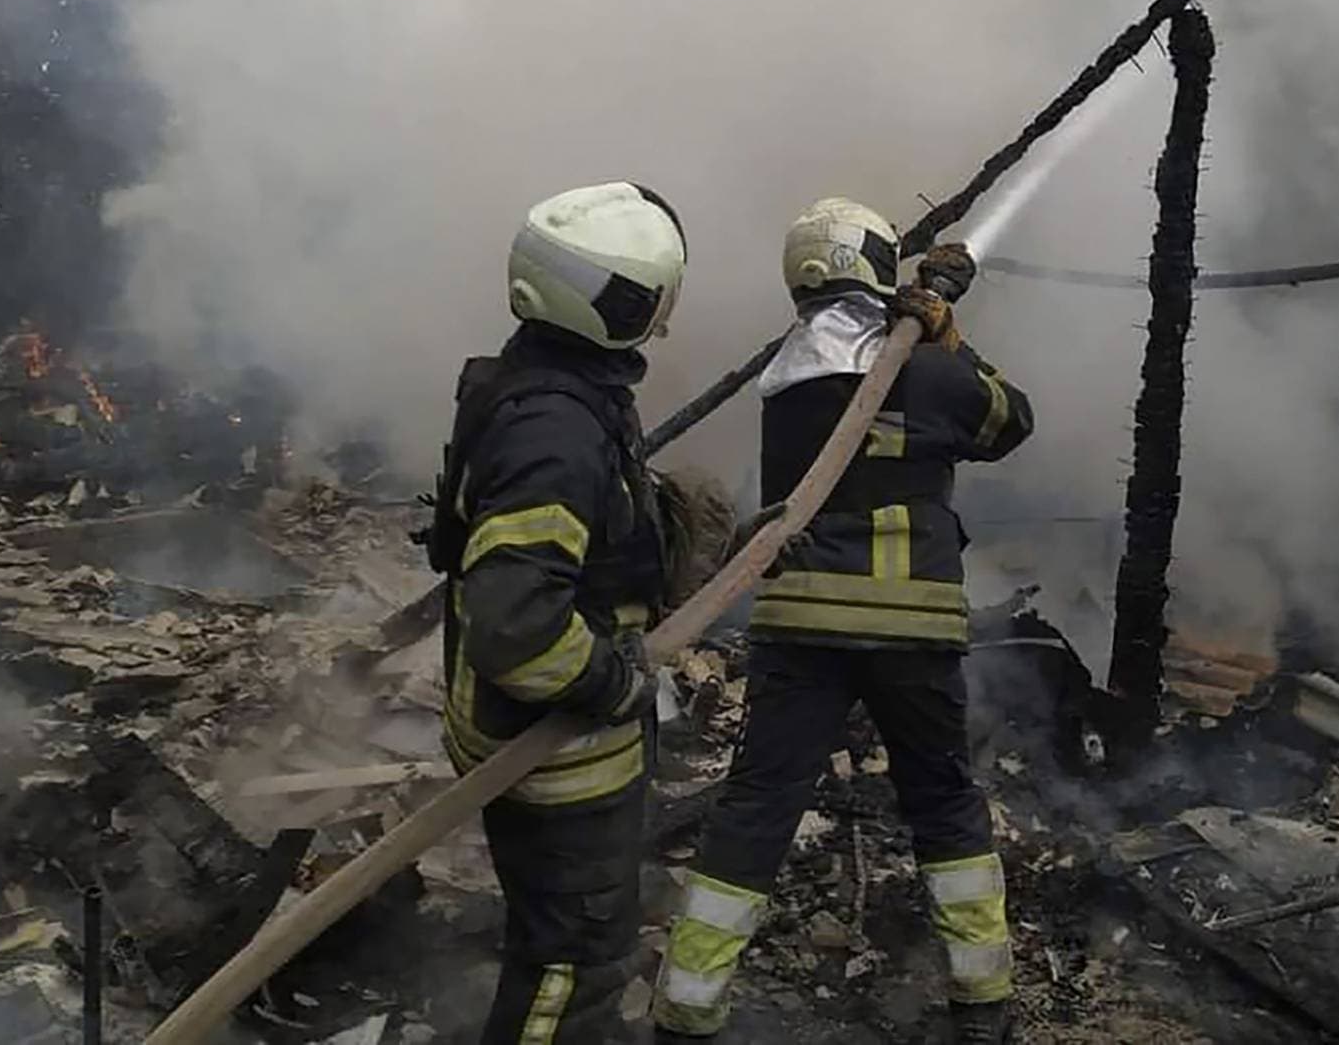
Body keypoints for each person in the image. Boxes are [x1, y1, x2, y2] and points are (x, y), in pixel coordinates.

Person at [651, 198, 1034, 1045]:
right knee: (943, 800)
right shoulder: (926, 370)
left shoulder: (787, 376)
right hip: (913, 626)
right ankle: (982, 999)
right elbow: (1010, 419)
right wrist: (950, 339)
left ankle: (687, 1002)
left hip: (800, 624)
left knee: (757, 805)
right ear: (875, 262)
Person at [425, 181, 687, 1044]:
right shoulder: (557, 434)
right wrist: (615, 682)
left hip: (520, 735)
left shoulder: (539, 385)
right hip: (559, 756)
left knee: (553, 943)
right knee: (576, 967)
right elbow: (516, 624)